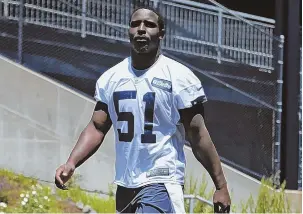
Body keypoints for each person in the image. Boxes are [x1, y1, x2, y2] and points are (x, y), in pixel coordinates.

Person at [55, 6, 231, 213]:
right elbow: (97, 127)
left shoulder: (179, 77)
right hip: (126, 183)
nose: (141, 29)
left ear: (161, 34)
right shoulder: (111, 78)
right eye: (135, 24)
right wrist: (71, 162)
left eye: (149, 24)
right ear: (128, 31)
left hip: (162, 180)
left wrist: (221, 185)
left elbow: (198, 134)